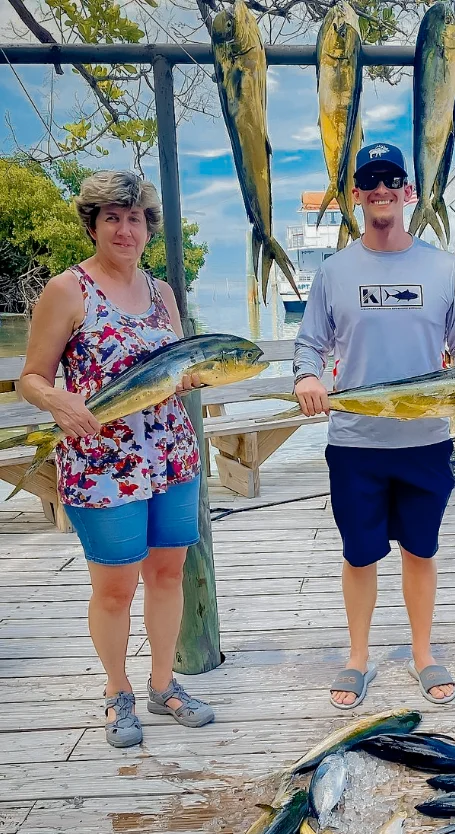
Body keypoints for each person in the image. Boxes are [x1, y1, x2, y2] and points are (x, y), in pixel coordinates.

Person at [18, 171, 214, 748]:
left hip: (172, 456)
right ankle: (116, 691)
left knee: (168, 572)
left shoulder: (161, 294)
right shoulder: (67, 290)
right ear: (94, 224)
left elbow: (181, 366)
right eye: (112, 217)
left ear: (148, 227)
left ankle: (163, 684)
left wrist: (196, 377)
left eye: (135, 218)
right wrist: (58, 401)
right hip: (102, 461)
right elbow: (32, 377)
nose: (125, 229)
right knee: (113, 587)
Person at [293, 142, 455, 709]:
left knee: (421, 550)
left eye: (391, 180)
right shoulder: (334, 272)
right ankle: (358, 656)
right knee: (359, 553)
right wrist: (307, 379)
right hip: (356, 442)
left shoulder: (442, 267)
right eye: (370, 181)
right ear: (356, 195)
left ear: (409, 192)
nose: (381, 190)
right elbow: (310, 345)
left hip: (426, 439)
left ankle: (423, 651)